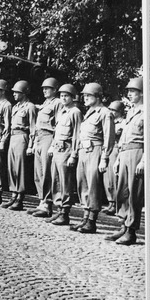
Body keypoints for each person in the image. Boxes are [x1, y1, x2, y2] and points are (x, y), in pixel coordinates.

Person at [71, 83, 115, 233]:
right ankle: (85, 218)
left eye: (88, 96)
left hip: (95, 150)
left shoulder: (105, 113)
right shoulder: (89, 112)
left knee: (93, 186)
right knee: (82, 184)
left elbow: (109, 137)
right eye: (84, 96)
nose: (85, 98)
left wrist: (104, 158)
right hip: (84, 151)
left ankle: (92, 221)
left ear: (97, 97)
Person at [107, 77, 144, 245]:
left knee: (134, 193)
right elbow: (123, 138)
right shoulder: (131, 111)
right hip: (125, 152)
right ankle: (123, 225)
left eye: (133, 92)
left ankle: (131, 231)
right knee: (123, 191)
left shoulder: (146, 111)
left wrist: (144, 160)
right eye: (129, 92)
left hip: (138, 153)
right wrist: (118, 159)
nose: (129, 94)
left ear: (142, 93)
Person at [27, 78, 62, 218]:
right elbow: (37, 124)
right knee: (38, 172)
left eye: (48, 88)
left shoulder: (58, 103)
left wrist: (53, 144)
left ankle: (47, 205)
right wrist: (35, 141)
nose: (44, 90)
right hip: (39, 138)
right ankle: (41, 201)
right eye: (43, 88)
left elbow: (58, 125)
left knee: (46, 172)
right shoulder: (45, 103)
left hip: (48, 137)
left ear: (54, 90)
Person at [48, 84, 82, 226]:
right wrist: (51, 146)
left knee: (65, 182)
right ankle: (58, 209)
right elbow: (56, 132)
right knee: (56, 181)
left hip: (66, 149)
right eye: (61, 95)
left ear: (73, 97)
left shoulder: (75, 112)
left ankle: (65, 212)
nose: (63, 98)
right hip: (57, 148)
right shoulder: (61, 112)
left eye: (66, 95)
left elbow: (77, 135)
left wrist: (73, 155)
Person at [2, 80, 36, 211]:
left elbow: (33, 127)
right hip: (13, 136)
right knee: (12, 167)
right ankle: (13, 195)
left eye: (17, 92)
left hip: (23, 137)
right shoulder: (15, 107)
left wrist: (30, 145)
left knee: (20, 168)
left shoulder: (30, 107)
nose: (15, 95)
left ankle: (20, 198)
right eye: (14, 92)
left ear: (24, 93)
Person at [101, 100, 126, 215]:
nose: (111, 112)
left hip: (116, 149)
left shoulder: (123, 123)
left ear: (120, 111)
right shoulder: (109, 120)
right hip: (108, 149)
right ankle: (110, 201)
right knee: (107, 178)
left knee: (114, 177)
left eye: (114, 110)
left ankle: (116, 203)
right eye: (110, 109)